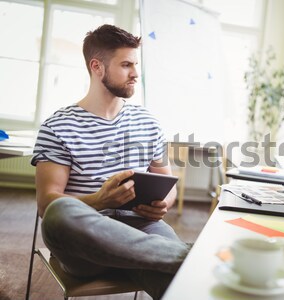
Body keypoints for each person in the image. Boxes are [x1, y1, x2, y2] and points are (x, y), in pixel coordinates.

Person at [31, 24, 190, 299]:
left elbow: (168, 181)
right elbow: (47, 203)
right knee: (59, 215)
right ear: (97, 67)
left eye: (136, 64)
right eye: (126, 65)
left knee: (183, 286)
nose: (135, 74)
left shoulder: (148, 122)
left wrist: (164, 203)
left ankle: (182, 260)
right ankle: (191, 257)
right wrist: (100, 200)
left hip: (141, 228)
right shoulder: (58, 126)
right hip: (86, 238)